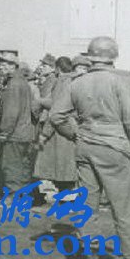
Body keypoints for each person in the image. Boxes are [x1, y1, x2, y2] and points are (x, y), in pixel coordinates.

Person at [51, 37, 130, 259]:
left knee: (87, 209)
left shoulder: (76, 83)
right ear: (113, 56)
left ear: (90, 57)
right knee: (124, 210)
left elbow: (56, 116)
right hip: (115, 149)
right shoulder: (121, 82)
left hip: (85, 148)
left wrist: (74, 134)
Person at [34, 57, 77, 194]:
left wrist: (44, 134)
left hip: (59, 129)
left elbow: (55, 110)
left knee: (61, 168)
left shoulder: (62, 82)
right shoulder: (75, 80)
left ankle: (65, 199)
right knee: (66, 167)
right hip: (71, 126)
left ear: (58, 69)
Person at [0, 51, 35, 194]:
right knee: (23, 168)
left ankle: (13, 198)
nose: (2, 66)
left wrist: (4, 132)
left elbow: (11, 113)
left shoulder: (13, 84)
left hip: (14, 134)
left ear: (13, 65)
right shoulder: (23, 82)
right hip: (25, 133)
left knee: (11, 167)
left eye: (5, 63)